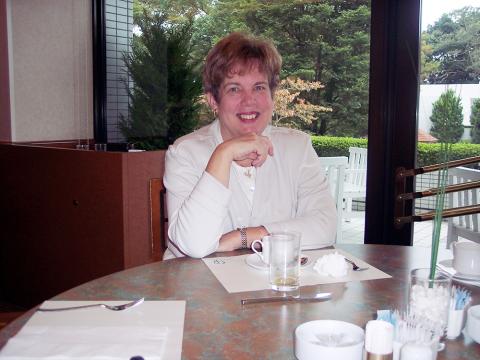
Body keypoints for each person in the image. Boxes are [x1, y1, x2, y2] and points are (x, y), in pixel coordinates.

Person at [163, 32, 336, 259]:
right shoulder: (184, 153)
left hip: (273, 285)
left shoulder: (297, 147)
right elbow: (192, 245)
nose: (248, 100)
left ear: (272, 95)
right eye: (234, 88)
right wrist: (224, 154)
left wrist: (243, 236)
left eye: (259, 87)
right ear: (213, 100)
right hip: (202, 287)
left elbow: (326, 227)